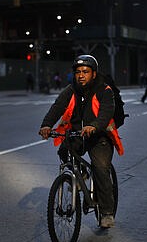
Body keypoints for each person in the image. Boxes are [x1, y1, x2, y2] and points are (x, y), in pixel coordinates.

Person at [39, 55, 124, 229]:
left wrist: (94, 126)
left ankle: (107, 212)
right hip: (78, 134)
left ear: (93, 74)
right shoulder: (71, 90)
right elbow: (57, 107)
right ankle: (82, 173)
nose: (81, 75)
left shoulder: (104, 89)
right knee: (63, 151)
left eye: (85, 71)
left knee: (100, 168)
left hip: (99, 136)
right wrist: (47, 125)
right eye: (78, 72)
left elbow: (106, 112)